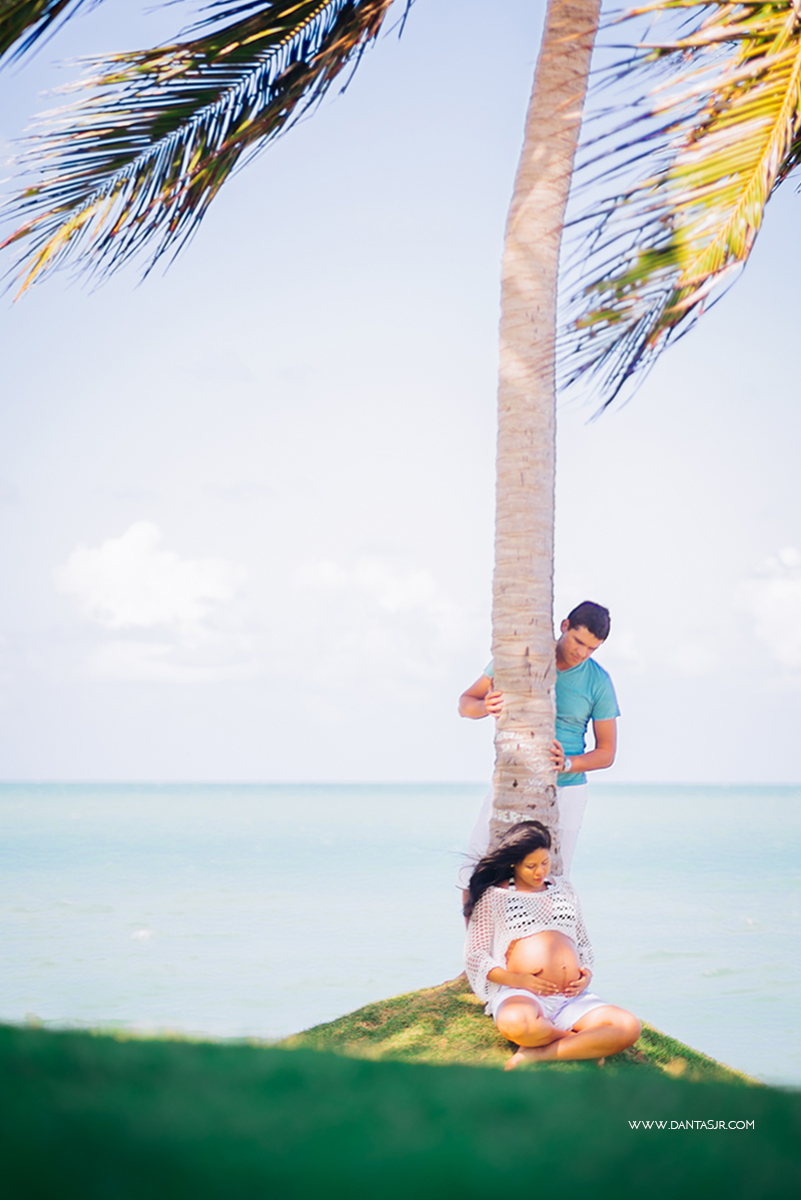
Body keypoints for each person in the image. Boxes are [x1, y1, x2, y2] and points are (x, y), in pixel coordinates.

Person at [458, 601, 619, 880]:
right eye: (578, 641)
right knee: (476, 868)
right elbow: (465, 703)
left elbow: (606, 752)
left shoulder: (598, 681)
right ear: (564, 626)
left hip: (567, 793)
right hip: (513, 783)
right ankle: (477, 925)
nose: (581, 652)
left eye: (592, 648)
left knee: (553, 879)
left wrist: (568, 763)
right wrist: (487, 706)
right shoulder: (522, 658)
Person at [464, 820, 640, 1069]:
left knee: (629, 1027)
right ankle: (580, 1045)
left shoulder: (564, 889)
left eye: (544, 863)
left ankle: (539, 1054)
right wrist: (519, 980)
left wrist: (586, 974)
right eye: (531, 866)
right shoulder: (496, 897)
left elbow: (584, 943)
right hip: (524, 995)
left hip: (571, 997)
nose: (540, 872)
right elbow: (475, 956)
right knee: (517, 1024)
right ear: (514, 863)